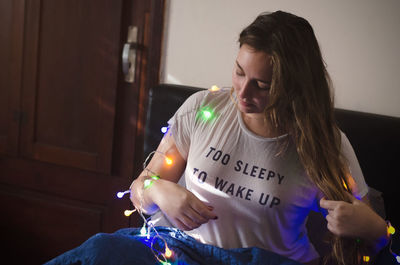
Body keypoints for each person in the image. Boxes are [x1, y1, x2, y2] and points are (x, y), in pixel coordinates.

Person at [130, 10, 389, 265]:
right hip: (189, 255)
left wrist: (375, 228)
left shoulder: (324, 142)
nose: (242, 92)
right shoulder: (202, 109)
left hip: (270, 261)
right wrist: (158, 190)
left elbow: (372, 244)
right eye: (240, 72)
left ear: (294, 85)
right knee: (99, 250)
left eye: (262, 85)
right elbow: (138, 192)